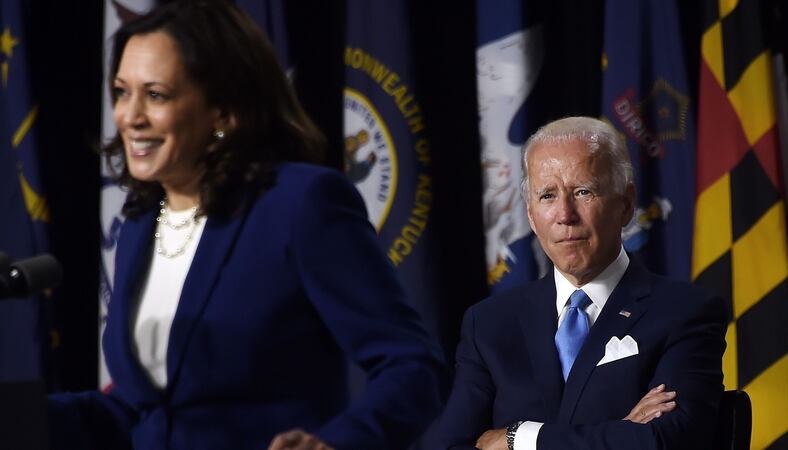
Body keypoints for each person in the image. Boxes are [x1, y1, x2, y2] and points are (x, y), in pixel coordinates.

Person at [47, 1, 447, 449]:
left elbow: (413, 366)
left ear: (223, 110)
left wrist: (337, 443)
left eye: (155, 95)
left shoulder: (300, 205)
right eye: (122, 91)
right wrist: (24, 415)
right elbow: (146, 408)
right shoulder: (140, 223)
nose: (129, 116)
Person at [436, 116, 726, 450]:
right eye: (547, 196)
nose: (564, 214)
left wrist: (517, 437)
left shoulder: (685, 312)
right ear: (530, 214)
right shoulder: (487, 324)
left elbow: (664, 441)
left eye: (583, 192)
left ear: (626, 204)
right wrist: (619, 432)